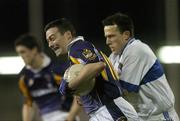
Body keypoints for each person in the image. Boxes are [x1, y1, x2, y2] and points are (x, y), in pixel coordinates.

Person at [44, 18, 139, 121]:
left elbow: (97, 66)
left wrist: (69, 85)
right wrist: (79, 92)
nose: (50, 44)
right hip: (104, 111)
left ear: (68, 34)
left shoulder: (77, 47)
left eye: (52, 38)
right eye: (48, 41)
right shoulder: (76, 50)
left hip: (110, 110)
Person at [102, 12, 180, 121]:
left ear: (126, 35)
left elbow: (122, 90)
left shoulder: (136, 49)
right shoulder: (114, 56)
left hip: (160, 117)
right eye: (106, 37)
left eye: (111, 36)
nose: (107, 42)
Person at [15, 34, 80, 121]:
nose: (21, 56)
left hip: (66, 116)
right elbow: (28, 103)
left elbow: (79, 94)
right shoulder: (24, 77)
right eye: (19, 53)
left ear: (34, 50)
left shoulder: (58, 69)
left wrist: (70, 118)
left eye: (23, 52)